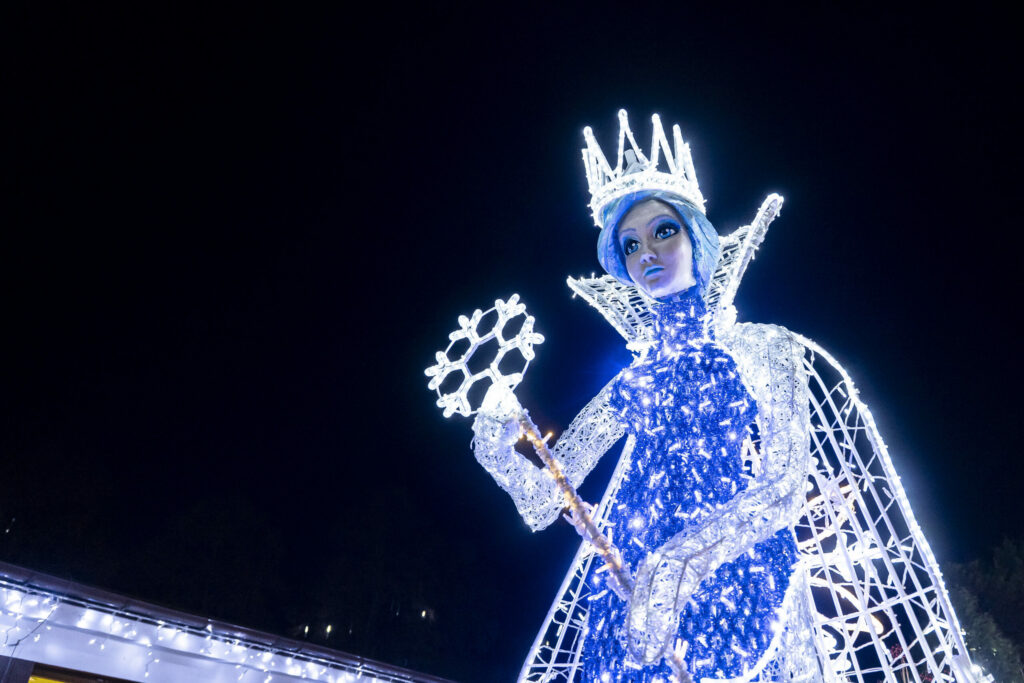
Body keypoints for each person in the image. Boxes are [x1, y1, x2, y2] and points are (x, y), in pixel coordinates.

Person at [470, 111, 977, 682]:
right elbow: (547, 501)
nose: (647, 254)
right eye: (630, 244)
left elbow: (785, 487)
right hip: (629, 586)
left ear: (697, 236)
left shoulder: (763, 348)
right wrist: (496, 453)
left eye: (664, 231)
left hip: (737, 571)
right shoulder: (634, 381)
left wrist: (677, 568)